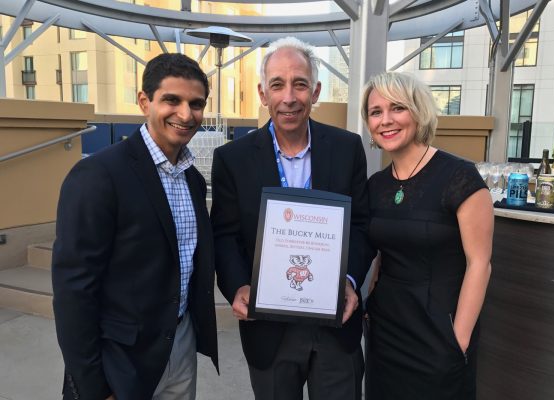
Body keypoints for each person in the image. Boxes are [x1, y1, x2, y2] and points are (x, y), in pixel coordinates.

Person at [210, 37, 374, 400]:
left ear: (315, 91)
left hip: (336, 323)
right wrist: (238, 286)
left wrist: (349, 279)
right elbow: (224, 234)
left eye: (300, 84)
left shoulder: (347, 148)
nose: (289, 97)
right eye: (277, 84)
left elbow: (361, 226)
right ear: (262, 92)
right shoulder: (232, 159)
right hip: (268, 328)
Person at [52, 53, 218, 400]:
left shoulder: (193, 181)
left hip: (181, 347)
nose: (186, 114)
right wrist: (93, 386)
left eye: (196, 103)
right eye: (172, 100)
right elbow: (74, 291)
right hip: (120, 361)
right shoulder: (98, 175)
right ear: (144, 101)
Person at [361, 72, 493, 399]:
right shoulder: (375, 186)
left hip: (439, 333)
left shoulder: (459, 176)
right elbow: (382, 252)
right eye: (376, 112)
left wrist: (458, 340)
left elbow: (480, 263)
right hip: (385, 331)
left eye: (397, 109)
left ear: (418, 112)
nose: (386, 120)